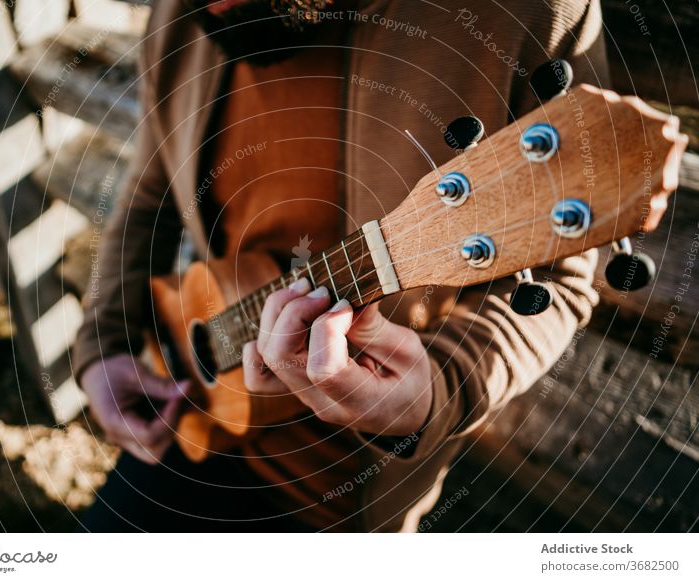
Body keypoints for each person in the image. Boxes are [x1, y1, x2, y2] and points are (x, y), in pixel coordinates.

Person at [74, 0, 609, 532]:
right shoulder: (183, 12)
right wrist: (105, 345)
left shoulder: (522, 14)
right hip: (194, 408)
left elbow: (558, 281)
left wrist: (436, 392)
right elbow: (150, 193)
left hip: (339, 490)